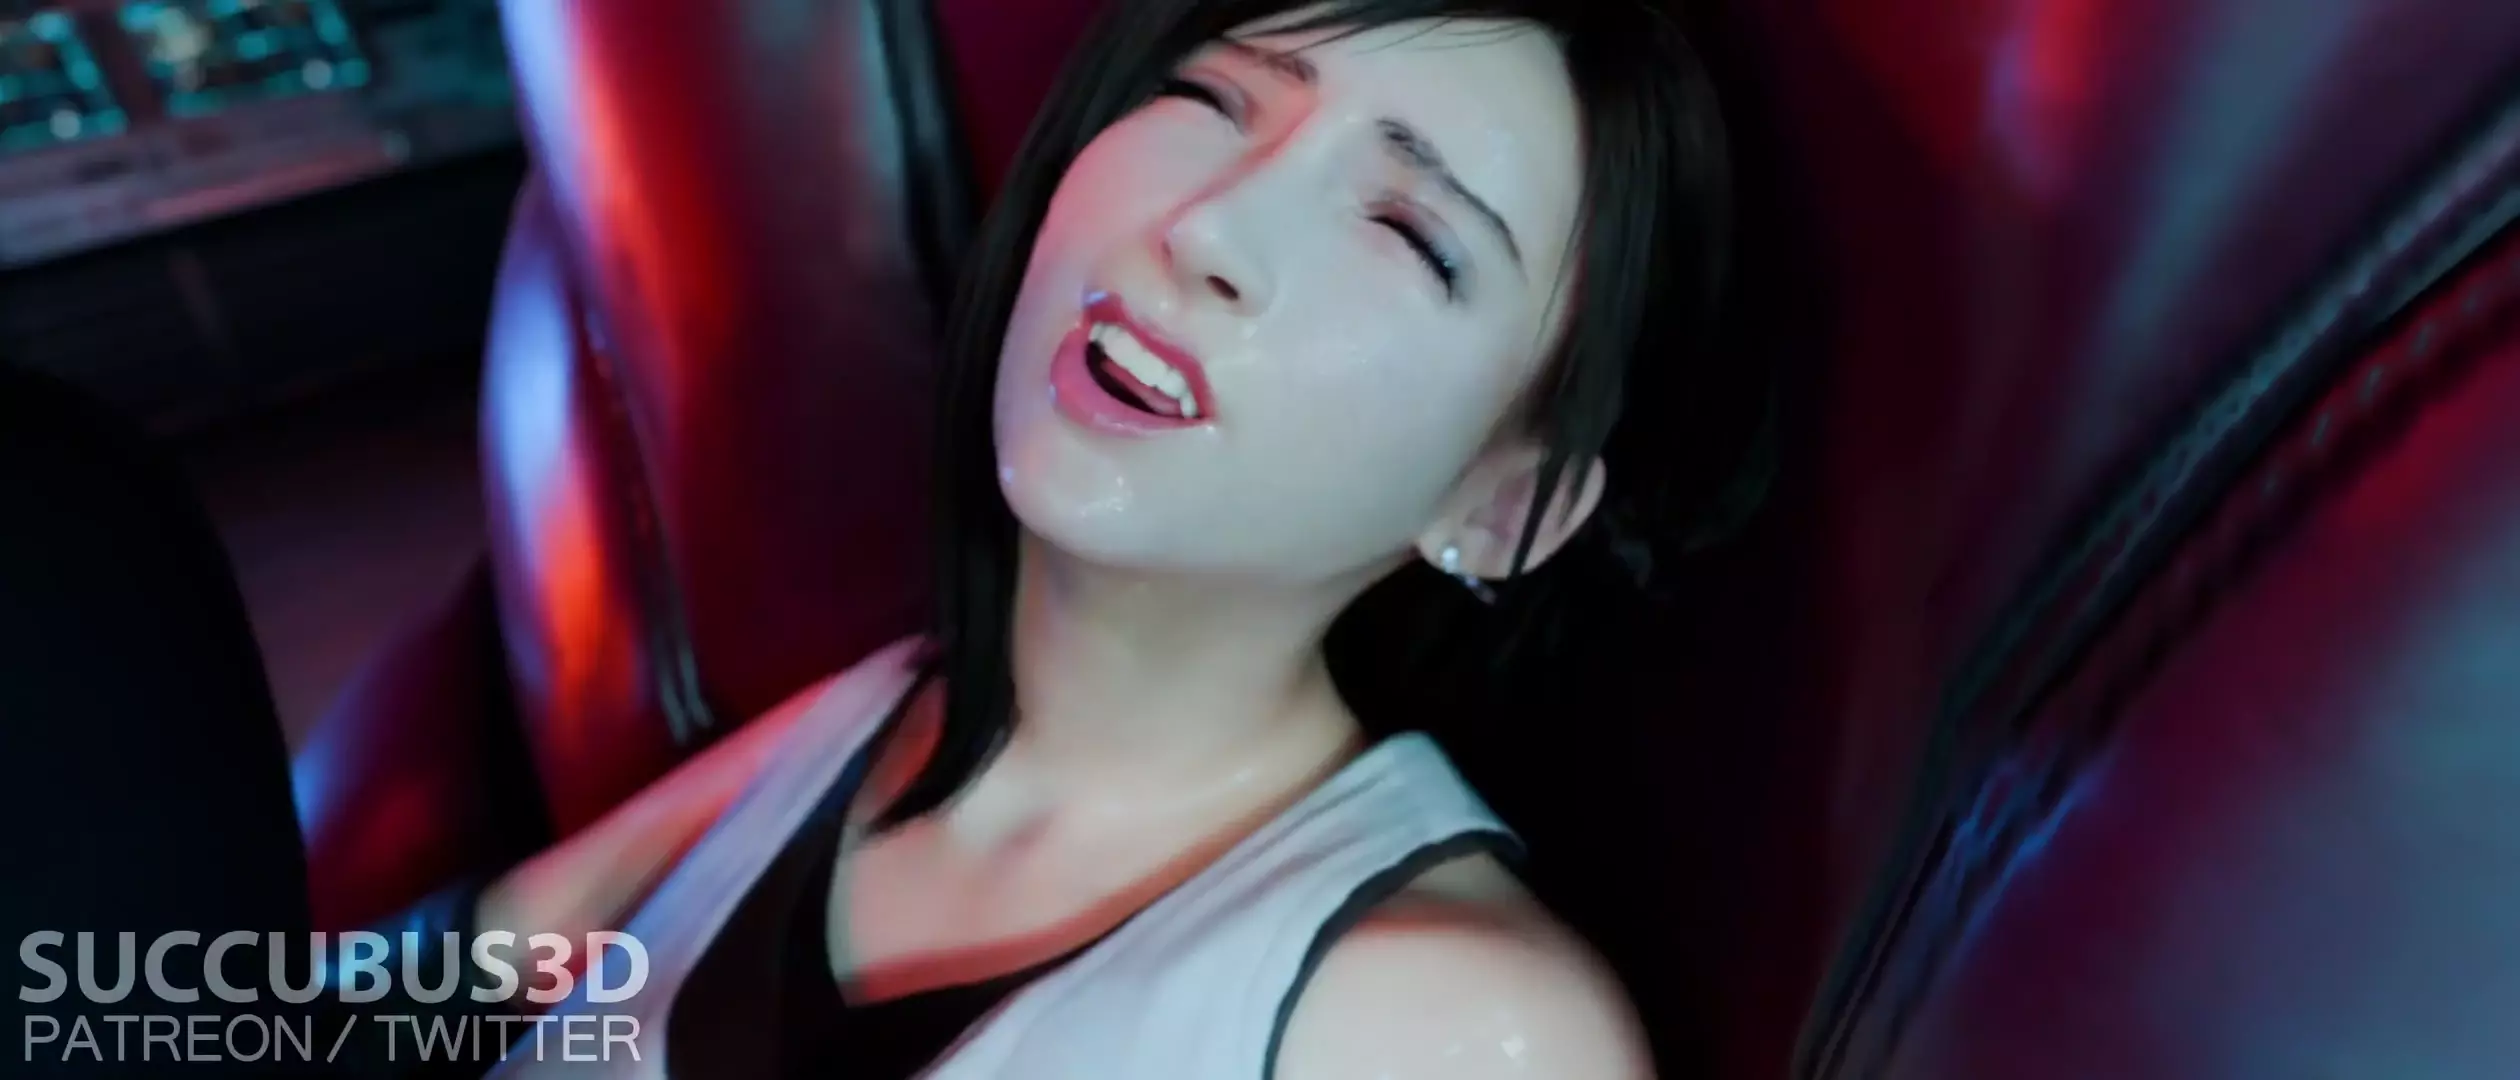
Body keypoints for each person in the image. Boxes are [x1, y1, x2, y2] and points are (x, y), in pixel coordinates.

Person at [2, 0, 1761, 1076]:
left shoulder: (1454, 1028)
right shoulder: (879, 717)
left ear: (1507, 502)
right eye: (1216, 97)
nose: (1209, 229)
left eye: (1410, 230)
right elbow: (400, 995)